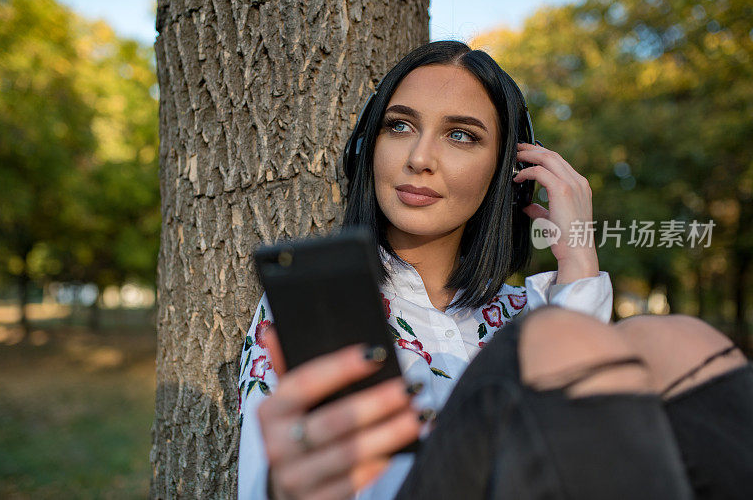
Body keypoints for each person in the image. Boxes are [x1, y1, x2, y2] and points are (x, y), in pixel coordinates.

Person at [237, 41, 753, 500]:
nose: (420, 157)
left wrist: (577, 256)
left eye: (461, 136)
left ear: (510, 171)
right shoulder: (319, 308)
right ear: (367, 148)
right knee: (559, 337)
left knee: (680, 339)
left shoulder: (527, 310)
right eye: (400, 126)